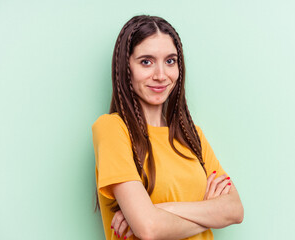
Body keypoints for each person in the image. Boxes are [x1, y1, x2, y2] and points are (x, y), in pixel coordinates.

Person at [92, 15, 244, 240]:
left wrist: (161, 210)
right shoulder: (112, 129)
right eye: (146, 61)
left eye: (170, 61)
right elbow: (149, 229)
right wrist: (208, 211)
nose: (161, 75)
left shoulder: (193, 136)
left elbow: (235, 210)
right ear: (126, 68)